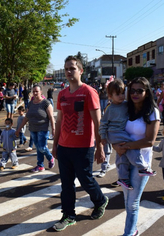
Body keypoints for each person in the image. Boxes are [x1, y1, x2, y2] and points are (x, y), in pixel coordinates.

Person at [51, 56, 108, 232]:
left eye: (72, 68)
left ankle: (100, 200)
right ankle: (69, 215)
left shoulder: (89, 92)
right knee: (66, 184)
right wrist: (54, 146)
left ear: (80, 71)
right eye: (66, 68)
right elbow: (59, 120)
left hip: (84, 147)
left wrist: (100, 147)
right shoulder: (62, 94)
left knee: (86, 180)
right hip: (64, 147)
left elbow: (98, 123)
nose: (69, 72)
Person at [112, 77, 160, 236]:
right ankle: (133, 229)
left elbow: (149, 141)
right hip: (124, 161)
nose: (135, 93)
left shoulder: (153, 112)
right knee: (127, 201)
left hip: (141, 163)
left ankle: (130, 233)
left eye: (140, 90)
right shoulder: (125, 108)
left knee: (132, 203)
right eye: (132, 90)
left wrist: (125, 146)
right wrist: (114, 146)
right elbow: (113, 129)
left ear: (147, 92)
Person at [99, 79, 156, 190]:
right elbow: (103, 123)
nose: (121, 96)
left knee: (123, 155)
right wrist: (103, 137)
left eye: (122, 93)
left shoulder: (126, 105)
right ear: (110, 95)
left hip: (120, 133)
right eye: (117, 94)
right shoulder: (110, 109)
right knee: (130, 146)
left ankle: (123, 178)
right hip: (114, 133)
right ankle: (142, 167)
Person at [16, 85, 55, 172]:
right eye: (33, 91)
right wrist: (19, 129)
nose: (35, 93)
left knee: (42, 147)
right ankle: (40, 165)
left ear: (41, 92)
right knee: (38, 148)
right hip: (33, 129)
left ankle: (50, 157)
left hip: (43, 129)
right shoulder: (31, 103)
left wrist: (53, 129)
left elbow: (51, 117)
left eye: (37, 91)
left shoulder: (46, 103)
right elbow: (26, 117)